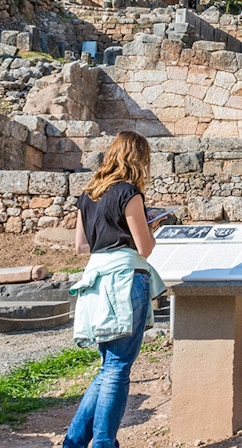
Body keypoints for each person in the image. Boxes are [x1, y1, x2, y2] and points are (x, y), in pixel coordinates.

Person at [64, 131, 165, 448]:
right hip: (124, 279)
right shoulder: (129, 193)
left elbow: (81, 245)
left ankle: (75, 441)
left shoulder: (88, 194)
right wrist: (152, 227)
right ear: (138, 159)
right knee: (118, 368)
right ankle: (104, 442)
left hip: (95, 279)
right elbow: (144, 248)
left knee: (109, 366)